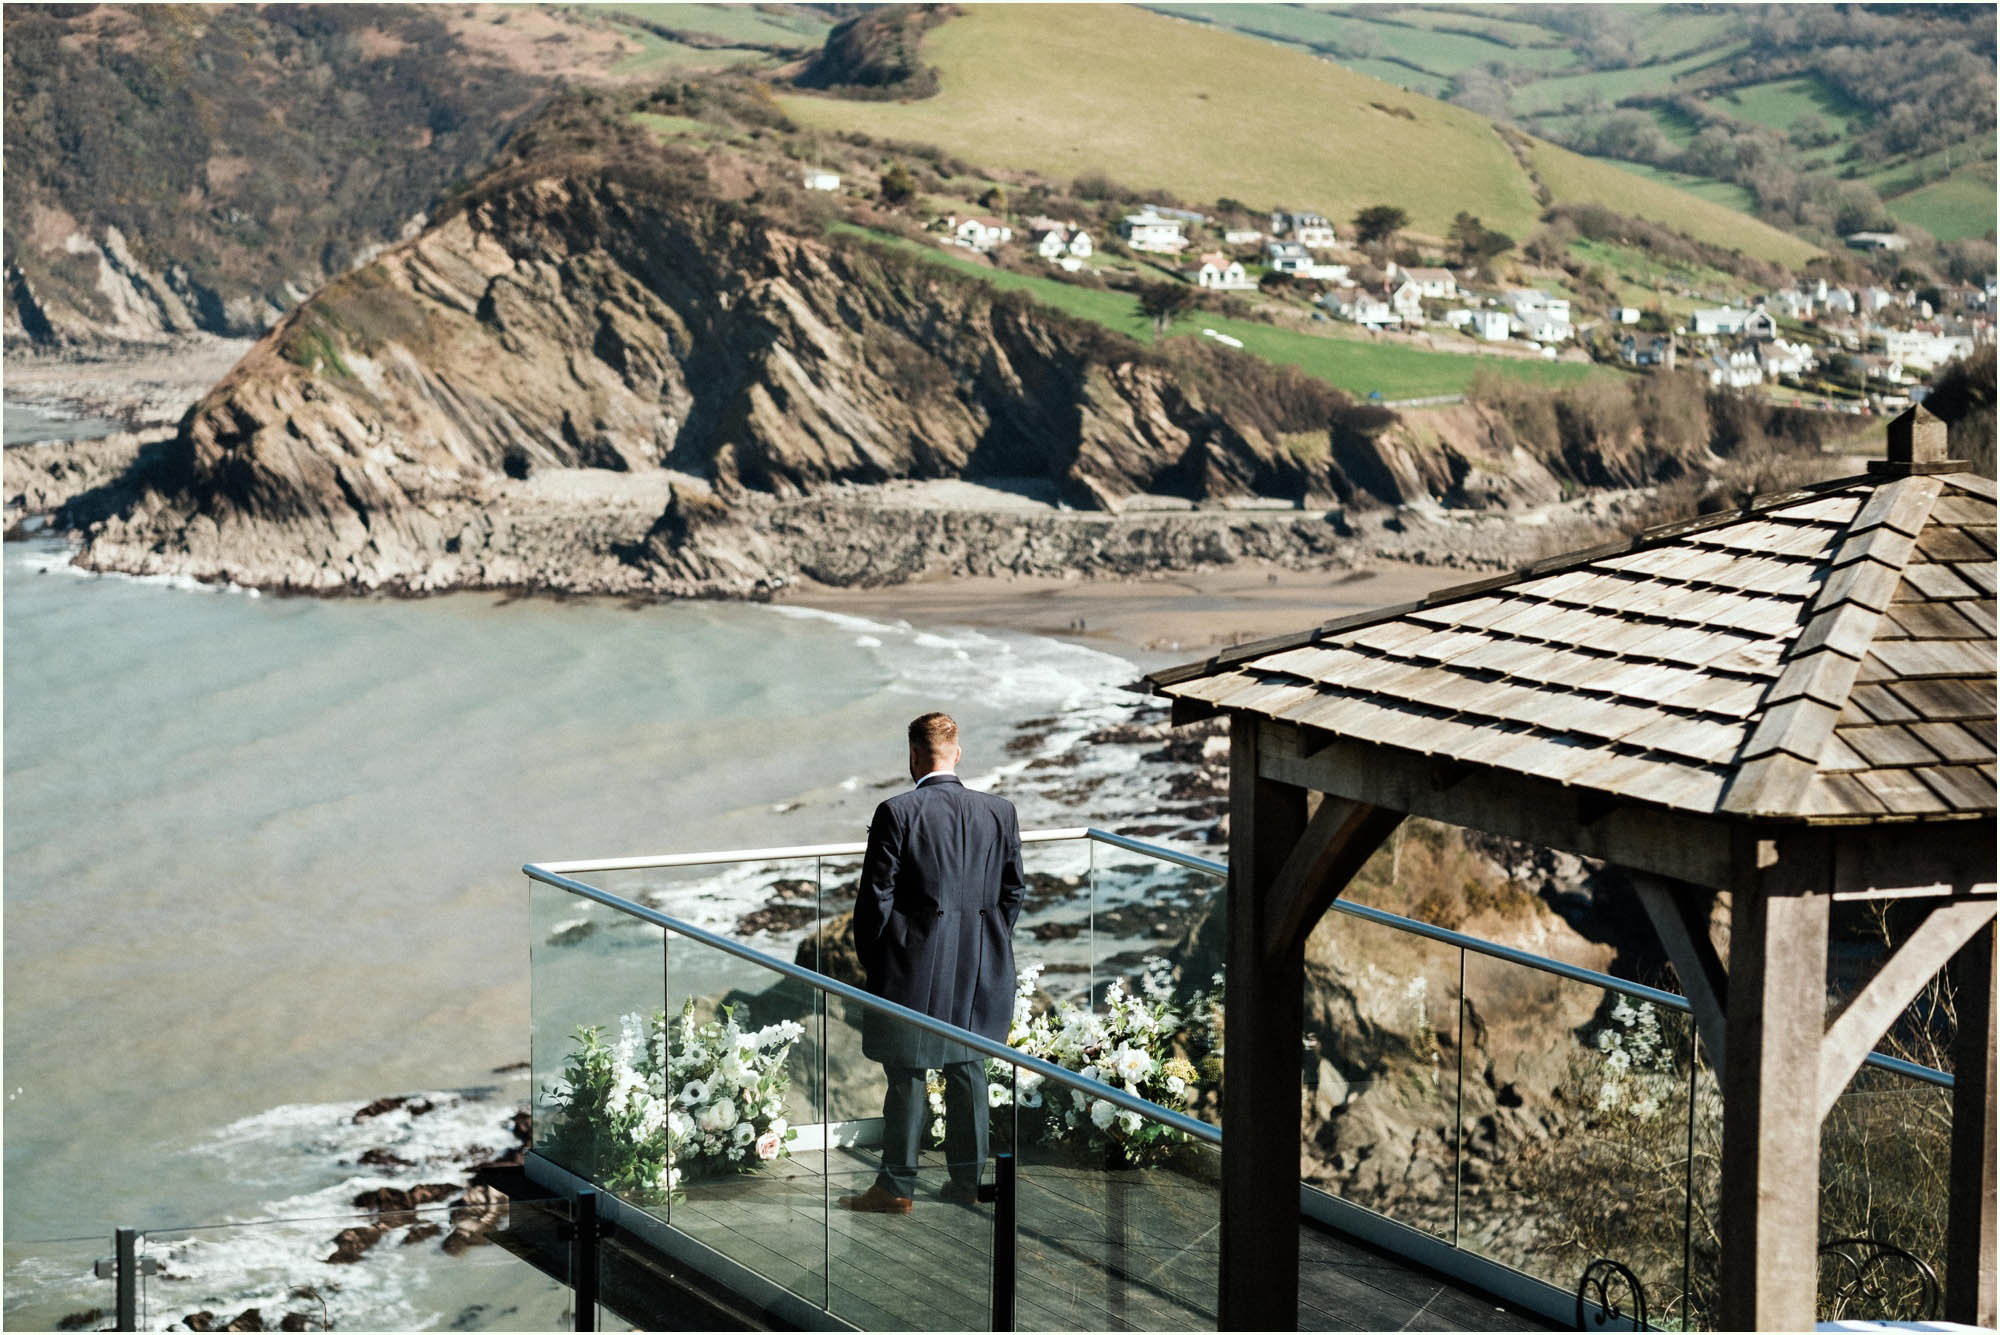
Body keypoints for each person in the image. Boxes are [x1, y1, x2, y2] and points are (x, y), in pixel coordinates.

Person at [839, 712, 1025, 1214]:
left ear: (914, 756)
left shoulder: (897, 812)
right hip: (981, 958)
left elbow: (874, 899)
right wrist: (991, 939)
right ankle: (967, 1184)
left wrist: (878, 957)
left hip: (913, 962)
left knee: (907, 1071)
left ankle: (897, 1186)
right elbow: (1013, 891)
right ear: (957, 753)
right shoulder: (1000, 811)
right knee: (967, 1067)